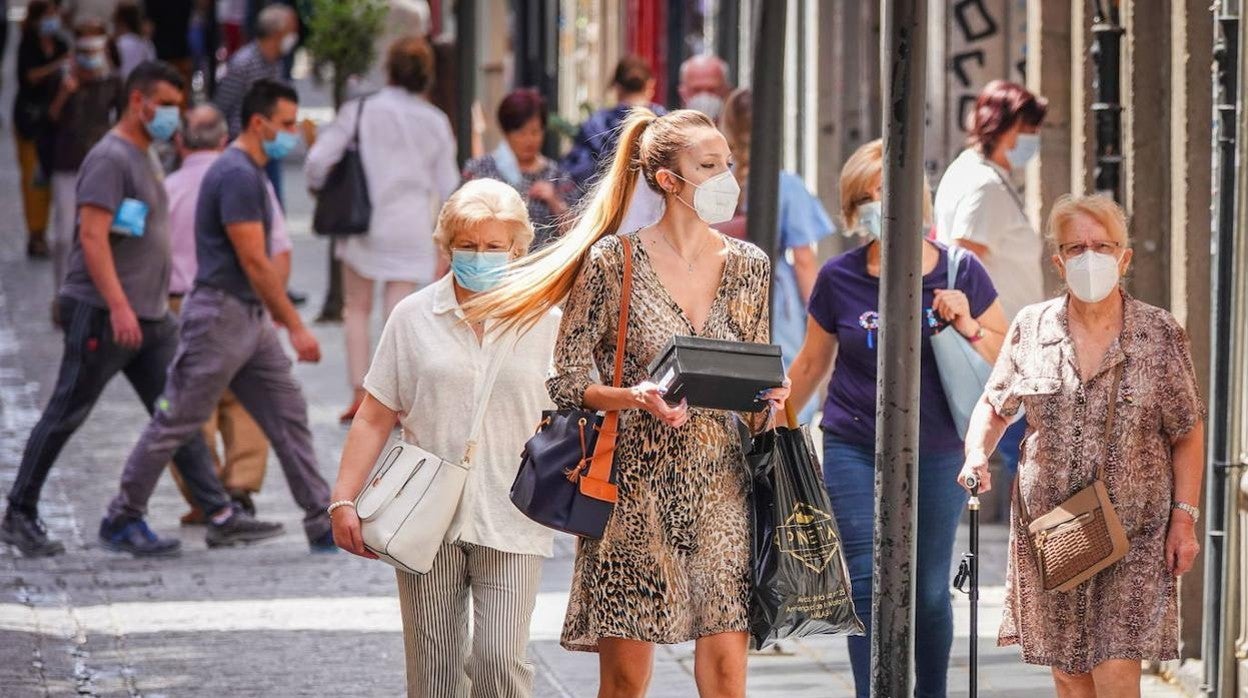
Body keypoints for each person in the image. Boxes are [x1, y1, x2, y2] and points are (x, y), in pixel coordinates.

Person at [465, 108, 791, 697]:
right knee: (624, 682)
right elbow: (563, 381)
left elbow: (753, 386)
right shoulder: (614, 262)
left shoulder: (750, 266)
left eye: (728, 164)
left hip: (723, 488)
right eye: (709, 165)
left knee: (726, 676)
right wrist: (633, 397)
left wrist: (772, 398)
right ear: (668, 179)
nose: (727, 177)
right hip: (633, 494)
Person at [0, 61, 281, 559]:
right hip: (108, 315)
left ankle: (214, 511)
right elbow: (91, 235)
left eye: (178, 106)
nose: (174, 116)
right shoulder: (110, 157)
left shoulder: (145, 153)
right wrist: (117, 307)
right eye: (167, 106)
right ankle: (19, 511)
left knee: (178, 410)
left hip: (149, 316)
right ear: (139, 102)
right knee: (67, 410)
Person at [783, 139, 1008, 697]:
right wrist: (775, 427)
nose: (875, 206)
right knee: (866, 583)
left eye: (885, 192)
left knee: (928, 589)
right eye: (864, 197)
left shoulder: (961, 271)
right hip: (853, 442)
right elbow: (812, 363)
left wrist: (967, 323)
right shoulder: (839, 278)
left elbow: (1006, 353)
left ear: (917, 201)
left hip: (938, 446)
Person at [958, 194, 1205, 697]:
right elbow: (994, 405)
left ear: (1124, 257)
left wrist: (1184, 519)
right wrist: (977, 453)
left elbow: (1187, 431)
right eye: (1076, 248)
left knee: (1116, 670)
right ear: (1058, 260)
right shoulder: (1032, 327)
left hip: (1137, 530)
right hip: (1055, 531)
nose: (1089, 257)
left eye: (1102, 245)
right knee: (1070, 677)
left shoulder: (1157, 334)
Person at [331, 179, 560, 696]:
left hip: (512, 511)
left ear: (518, 249)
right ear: (447, 246)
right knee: (433, 666)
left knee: (501, 660)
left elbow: (574, 410)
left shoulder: (545, 322)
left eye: (494, 247)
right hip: (421, 513)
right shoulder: (412, 317)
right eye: (469, 246)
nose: (480, 257)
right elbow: (374, 415)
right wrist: (343, 498)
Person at [104, 79, 335, 554]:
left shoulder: (247, 171)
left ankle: (320, 517)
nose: (293, 133)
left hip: (246, 317)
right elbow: (254, 259)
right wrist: (294, 325)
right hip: (220, 315)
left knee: (287, 412)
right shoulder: (236, 175)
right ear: (259, 123)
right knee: (176, 418)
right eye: (287, 124)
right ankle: (122, 515)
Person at [305, 35, 459, 423]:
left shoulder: (360, 110)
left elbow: (318, 161)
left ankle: (359, 393)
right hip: (411, 228)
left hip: (363, 222)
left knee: (355, 308)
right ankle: (394, 398)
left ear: (387, 69)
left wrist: (317, 185)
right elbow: (448, 185)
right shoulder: (436, 121)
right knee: (400, 313)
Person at [164, 103, 293, 523]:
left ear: (180, 141)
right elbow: (279, 248)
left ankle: (204, 494)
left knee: (190, 405)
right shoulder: (245, 181)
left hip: (180, 304)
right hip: (240, 302)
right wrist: (276, 306)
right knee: (245, 401)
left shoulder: (166, 188)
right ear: (223, 140)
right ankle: (240, 486)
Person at [935, 79, 1049, 493]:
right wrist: (980, 332)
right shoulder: (981, 184)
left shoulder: (981, 175)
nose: (1032, 141)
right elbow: (963, 261)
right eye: (1029, 130)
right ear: (1007, 127)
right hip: (997, 345)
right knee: (1027, 460)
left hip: (1001, 342)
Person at [717, 87, 835, 422]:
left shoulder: (715, 180)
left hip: (720, 285)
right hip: (776, 295)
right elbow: (805, 261)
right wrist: (821, 314)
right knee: (785, 386)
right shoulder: (785, 184)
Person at [46, 20, 124, 305]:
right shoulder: (64, 79)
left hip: (102, 165)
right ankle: (62, 294)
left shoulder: (113, 81)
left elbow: (123, 117)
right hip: (67, 163)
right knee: (65, 233)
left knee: (105, 231)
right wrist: (66, 93)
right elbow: (50, 119)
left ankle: (101, 291)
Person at [461, 88, 575, 248]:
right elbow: (456, 220)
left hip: (540, 268)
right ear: (506, 132)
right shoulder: (480, 170)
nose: (529, 140)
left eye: (535, 132)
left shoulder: (556, 175)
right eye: (521, 133)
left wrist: (554, 201)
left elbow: (577, 235)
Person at [211, 3, 296, 199]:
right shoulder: (243, 63)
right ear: (277, 33)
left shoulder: (276, 62)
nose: (293, 37)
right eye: (290, 30)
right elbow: (221, 105)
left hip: (270, 142)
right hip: (245, 145)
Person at [12, 0, 69, 259]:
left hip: (54, 120)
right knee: (32, 179)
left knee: (51, 178)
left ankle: (49, 230)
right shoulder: (29, 44)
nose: (52, 19)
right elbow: (29, 76)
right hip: (29, 119)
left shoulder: (60, 44)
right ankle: (36, 233)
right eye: (47, 15)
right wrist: (56, 66)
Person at [562, 54, 666, 194]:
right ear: (650, 85)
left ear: (617, 87)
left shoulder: (596, 125)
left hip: (608, 203)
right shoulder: (665, 122)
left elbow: (578, 172)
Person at [678, 54, 731, 120]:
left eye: (711, 90)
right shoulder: (667, 128)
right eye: (697, 90)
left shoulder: (740, 128)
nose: (704, 97)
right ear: (683, 92)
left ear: (725, 90)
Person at [113, 2, 155, 80]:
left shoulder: (119, 44)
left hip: (125, 87)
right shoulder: (147, 43)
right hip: (144, 86)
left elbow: (112, 72)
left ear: (120, 22)